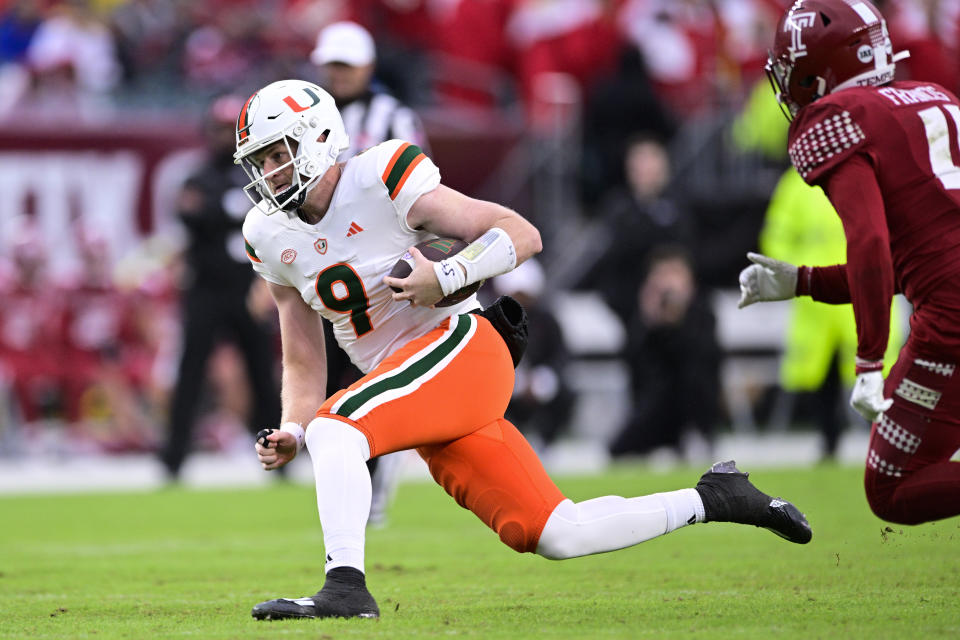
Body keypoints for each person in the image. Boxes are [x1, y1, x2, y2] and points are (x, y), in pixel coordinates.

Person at [236, 78, 811, 621]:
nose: (267, 172)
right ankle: (716, 497)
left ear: (316, 138)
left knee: (341, 428)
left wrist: (448, 274)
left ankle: (345, 589)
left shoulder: (381, 175)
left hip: (459, 349)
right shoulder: (268, 234)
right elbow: (304, 355)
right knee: (557, 532)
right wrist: (295, 427)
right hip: (416, 389)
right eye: (258, 161)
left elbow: (520, 233)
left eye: (276, 153)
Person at [739, 0, 960, 525]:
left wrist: (868, 360)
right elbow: (904, 265)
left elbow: (870, 242)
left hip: (952, 312)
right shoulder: (936, 95)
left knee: (893, 486)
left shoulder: (835, 118)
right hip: (946, 291)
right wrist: (804, 282)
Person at [310, 19, 432, 526]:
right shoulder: (311, 118)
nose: (337, 75)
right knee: (332, 378)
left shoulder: (394, 117)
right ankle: (354, 486)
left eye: (345, 64)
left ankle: (376, 485)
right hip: (331, 265)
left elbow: (420, 189)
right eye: (330, 65)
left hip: (383, 262)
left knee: (376, 375)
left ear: (368, 67)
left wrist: (418, 254)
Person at [158, 94, 281, 480]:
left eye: (229, 130)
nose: (223, 138)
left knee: (262, 374)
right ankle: (174, 457)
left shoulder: (259, 175)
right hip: (207, 289)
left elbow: (276, 219)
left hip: (248, 289)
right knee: (191, 371)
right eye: (217, 129)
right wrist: (229, 211)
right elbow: (190, 213)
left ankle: (275, 457)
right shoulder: (197, 177)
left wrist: (220, 211)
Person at [609, 245, 720, 460]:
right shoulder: (642, 313)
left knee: (691, 382)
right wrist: (649, 323)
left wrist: (678, 322)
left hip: (693, 402)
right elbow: (633, 361)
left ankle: (695, 437)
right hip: (654, 405)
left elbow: (704, 359)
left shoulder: (702, 311)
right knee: (620, 449)